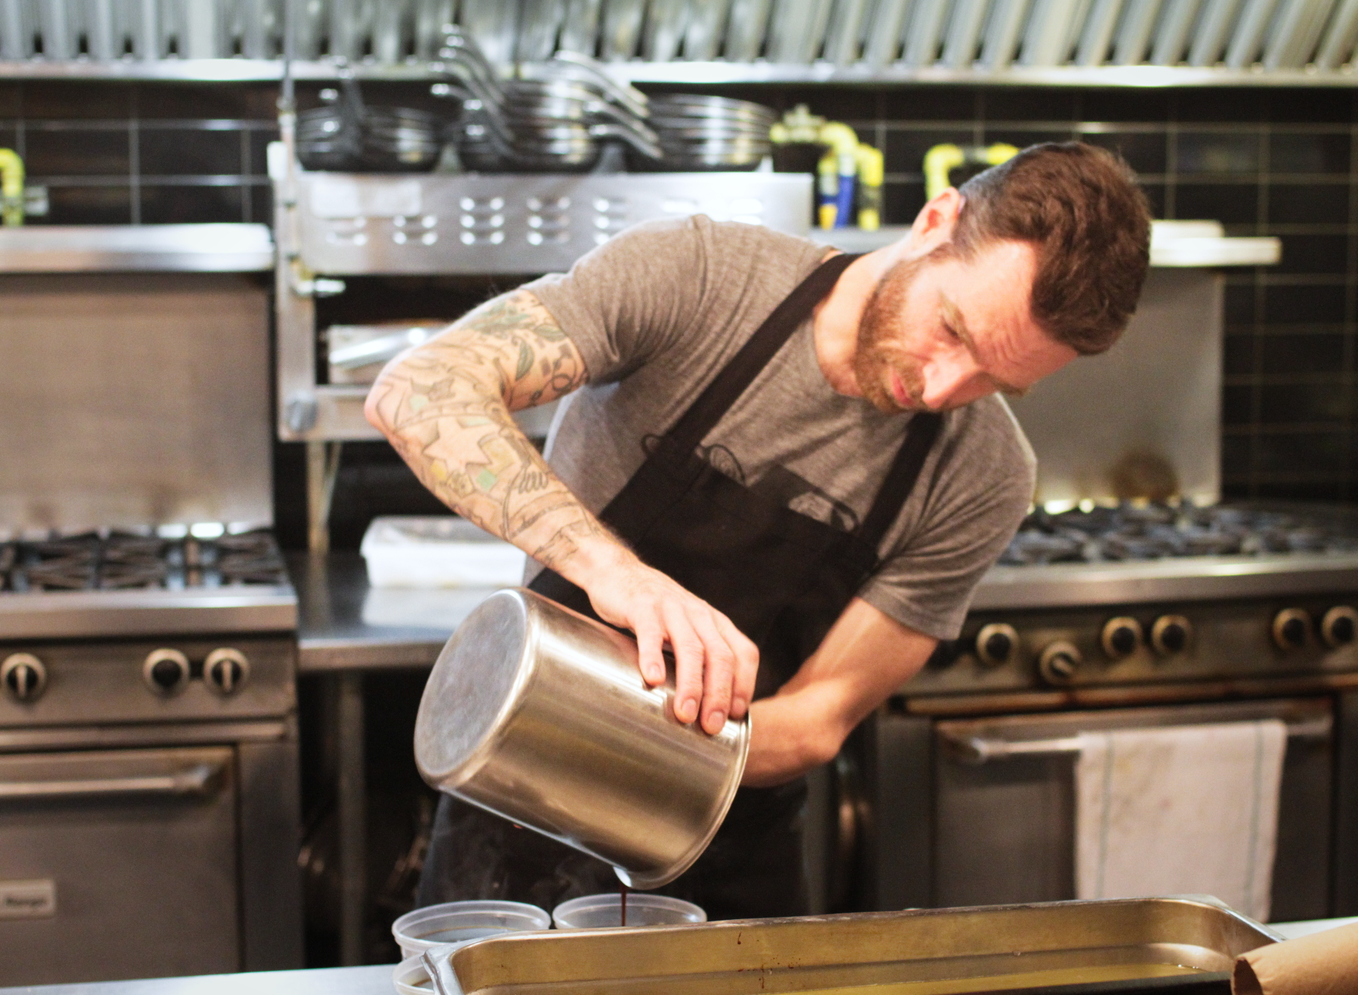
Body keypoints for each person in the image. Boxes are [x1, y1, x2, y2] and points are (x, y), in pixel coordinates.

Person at [365, 141, 1151, 919]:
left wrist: (640, 752)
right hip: (520, 798)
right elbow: (421, 389)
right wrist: (615, 571)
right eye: (953, 331)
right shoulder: (701, 277)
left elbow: (818, 717)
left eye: (996, 380)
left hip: (730, 842)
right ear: (936, 221)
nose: (942, 388)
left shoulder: (983, 473)